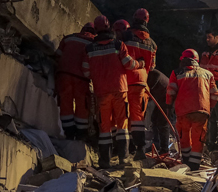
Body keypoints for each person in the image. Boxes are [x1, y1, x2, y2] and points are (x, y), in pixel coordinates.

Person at [82, 15, 142, 168]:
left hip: (101, 92)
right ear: (109, 27)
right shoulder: (118, 44)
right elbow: (128, 64)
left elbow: (86, 72)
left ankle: (104, 161)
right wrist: (140, 64)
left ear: (95, 30)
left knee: (104, 128)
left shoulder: (89, 49)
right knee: (122, 124)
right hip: (119, 90)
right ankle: (123, 158)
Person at [165, 49, 216, 170]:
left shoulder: (176, 73)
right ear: (197, 61)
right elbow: (215, 94)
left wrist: (168, 106)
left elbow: (170, 91)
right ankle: (194, 165)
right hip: (202, 110)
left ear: (183, 60)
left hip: (183, 111)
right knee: (198, 138)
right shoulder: (208, 74)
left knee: (184, 136)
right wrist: (211, 107)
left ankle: (186, 161)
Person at [124, 9, 157, 160]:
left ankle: (126, 150)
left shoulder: (126, 36)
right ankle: (139, 149)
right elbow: (151, 67)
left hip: (125, 81)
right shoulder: (152, 44)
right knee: (138, 118)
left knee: (122, 116)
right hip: (142, 83)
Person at [56, 23, 95, 139]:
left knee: (65, 102)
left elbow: (57, 55)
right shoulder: (93, 43)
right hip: (81, 78)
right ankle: (81, 133)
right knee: (82, 104)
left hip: (64, 74)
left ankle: (68, 131)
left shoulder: (68, 38)